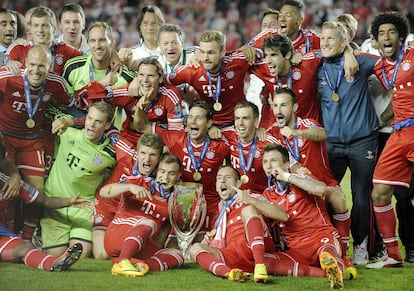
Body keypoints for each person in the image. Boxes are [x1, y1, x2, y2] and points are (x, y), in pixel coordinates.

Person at [267, 87, 356, 278]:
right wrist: (296, 168)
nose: (278, 110)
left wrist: (296, 133)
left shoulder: (306, 123)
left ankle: (343, 250)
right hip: (298, 187)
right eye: (275, 105)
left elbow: (322, 134)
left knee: (339, 199)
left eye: (283, 105)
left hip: (323, 181)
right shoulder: (273, 133)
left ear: (295, 107)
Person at [317, 21, 380, 265]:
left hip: (362, 141)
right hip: (331, 144)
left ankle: (362, 247)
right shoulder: (317, 68)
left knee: (361, 196)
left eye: (331, 39)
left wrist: (349, 53)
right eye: (322, 39)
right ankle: (330, 243)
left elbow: (389, 64)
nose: (324, 43)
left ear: (344, 41)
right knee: (326, 195)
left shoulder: (360, 62)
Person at [0, 44, 73, 237]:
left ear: (49, 67)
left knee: (37, 190)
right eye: (32, 64)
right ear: (25, 63)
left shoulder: (56, 83)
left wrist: (65, 119)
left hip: (32, 140)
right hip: (5, 138)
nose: (36, 70)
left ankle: (28, 237)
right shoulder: (8, 77)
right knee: (9, 189)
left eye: (41, 66)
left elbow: (73, 106)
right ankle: (9, 235)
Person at [134, 100, 230, 234]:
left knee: (207, 245)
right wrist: (139, 107)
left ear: (208, 123)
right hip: (180, 204)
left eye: (199, 118)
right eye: (190, 117)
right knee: (173, 247)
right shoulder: (175, 138)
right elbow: (141, 126)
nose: (193, 122)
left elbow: (243, 140)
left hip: (210, 204)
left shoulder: (221, 145)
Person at [366, 11, 414, 268]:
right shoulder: (379, 66)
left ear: (402, 37)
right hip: (399, 133)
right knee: (380, 193)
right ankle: (393, 256)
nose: (386, 37)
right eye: (381, 33)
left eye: (391, 32)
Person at [40, 101, 117, 259]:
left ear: (108, 125)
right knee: (55, 254)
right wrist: (65, 120)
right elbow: (48, 108)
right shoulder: (67, 131)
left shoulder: (111, 154)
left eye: (98, 121)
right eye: (90, 118)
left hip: (83, 208)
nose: (92, 125)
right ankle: (40, 238)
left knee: (79, 253)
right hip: (55, 204)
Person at [188, 165, 279, 283]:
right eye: (219, 178)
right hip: (233, 256)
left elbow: (282, 216)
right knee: (194, 248)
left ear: (238, 184)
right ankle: (229, 273)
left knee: (248, 210)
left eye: (228, 177)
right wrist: (209, 242)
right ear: (216, 186)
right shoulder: (217, 213)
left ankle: (259, 266)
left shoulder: (252, 197)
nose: (223, 181)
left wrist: (251, 200)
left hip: (255, 252)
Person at [101, 153, 184, 277]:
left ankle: (142, 266)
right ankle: (124, 261)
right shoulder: (139, 181)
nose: (165, 177)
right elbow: (104, 192)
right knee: (149, 222)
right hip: (117, 236)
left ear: (178, 175)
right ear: (156, 171)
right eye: (162, 171)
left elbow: (163, 233)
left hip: (140, 245)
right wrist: (129, 187)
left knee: (178, 255)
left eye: (171, 173)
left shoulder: (174, 200)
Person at [92, 132, 164, 260]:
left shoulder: (163, 172)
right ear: (137, 152)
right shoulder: (126, 152)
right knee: (101, 255)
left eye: (152, 155)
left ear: (159, 157)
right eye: (143, 153)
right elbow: (110, 132)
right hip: (106, 205)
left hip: (129, 213)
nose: (147, 159)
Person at [166, 30, 255, 128]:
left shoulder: (238, 61)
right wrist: (180, 96)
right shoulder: (192, 70)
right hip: (209, 125)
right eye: (202, 52)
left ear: (222, 52)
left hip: (238, 122)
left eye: (211, 53)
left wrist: (250, 47)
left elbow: (269, 35)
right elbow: (162, 81)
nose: (206, 57)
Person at [89, 56, 184, 145]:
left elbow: (177, 133)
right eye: (141, 75)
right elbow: (93, 102)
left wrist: (148, 127)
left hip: (160, 142)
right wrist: (101, 84)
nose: (145, 80)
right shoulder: (127, 93)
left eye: (150, 75)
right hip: (131, 140)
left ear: (160, 79)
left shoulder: (170, 95)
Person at [61, 21, 136, 118]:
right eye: (93, 40)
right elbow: (66, 105)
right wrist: (101, 84)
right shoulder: (72, 67)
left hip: (111, 131)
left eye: (102, 40)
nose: (97, 45)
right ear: (88, 43)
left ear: (112, 43)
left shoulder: (126, 77)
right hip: (76, 129)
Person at [254, 34, 323, 129]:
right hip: (282, 136)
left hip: (308, 134)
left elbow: (326, 52)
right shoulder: (264, 69)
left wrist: (348, 52)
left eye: (273, 55)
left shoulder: (306, 65)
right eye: (266, 55)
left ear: (287, 54)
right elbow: (238, 59)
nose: (268, 61)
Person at [5, 6, 83, 76]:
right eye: (36, 25)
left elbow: (88, 62)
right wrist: (7, 65)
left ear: (54, 29)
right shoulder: (17, 50)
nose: (40, 30)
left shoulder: (66, 51)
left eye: (45, 26)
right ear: (31, 28)